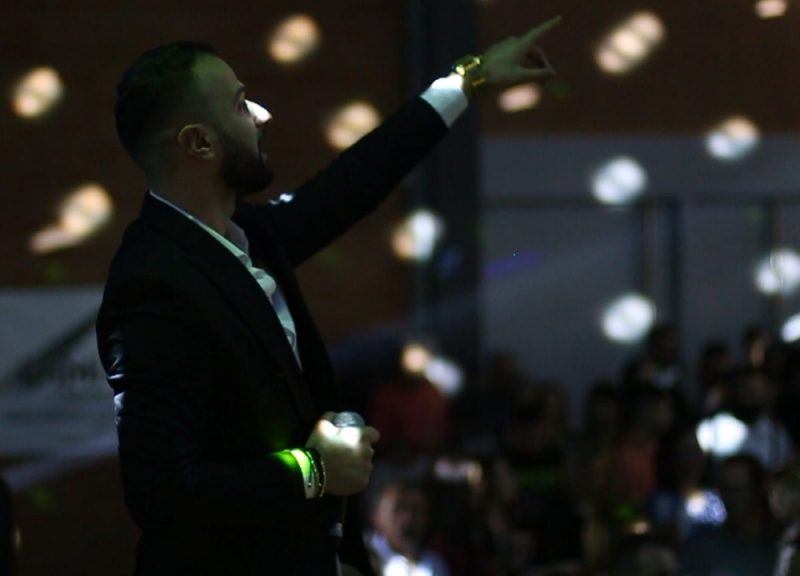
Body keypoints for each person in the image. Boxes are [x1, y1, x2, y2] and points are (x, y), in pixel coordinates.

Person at [96, 17, 560, 575]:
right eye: (241, 104)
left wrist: (467, 81)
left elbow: (353, 183)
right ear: (199, 142)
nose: (263, 114)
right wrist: (313, 469)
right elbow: (161, 492)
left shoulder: (246, 235)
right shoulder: (153, 283)